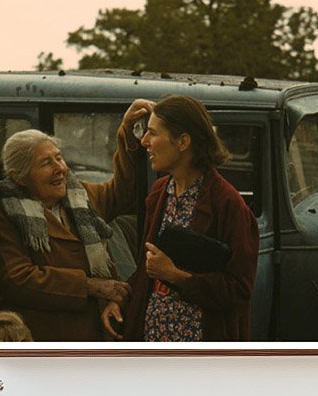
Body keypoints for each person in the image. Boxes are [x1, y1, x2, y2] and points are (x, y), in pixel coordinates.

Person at [103, 95, 258, 342]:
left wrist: (176, 276)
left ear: (183, 141)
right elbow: (146, 269)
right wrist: (120, 300)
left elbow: (238, 289)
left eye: (153, 133)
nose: (144, 141)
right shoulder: (159, 193)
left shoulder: (228, 205)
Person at [0, 99, 152, 341]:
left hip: (100, 331)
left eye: (59, 158)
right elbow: (19, 279)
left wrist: (128, 132)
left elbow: (124, 192)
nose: (60, 169)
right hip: (49, 337)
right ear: (19, 177)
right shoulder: (4, 213)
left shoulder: (81, 197)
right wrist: (90, 285)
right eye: (46, 163)